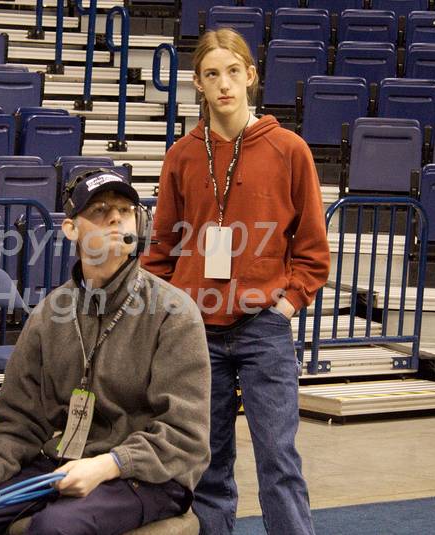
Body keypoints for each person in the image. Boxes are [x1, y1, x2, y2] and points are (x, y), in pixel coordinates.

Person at [0, 169, 211, 534]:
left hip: (149, 475)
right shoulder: (50, 314)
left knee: (56, 528)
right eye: (100, 210)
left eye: (125, 210)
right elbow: (17, 424)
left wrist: (107, 465)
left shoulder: (173, 312)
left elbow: (184, 434)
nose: (115, 218)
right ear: (71, 229)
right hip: (62, 461)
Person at [141, 28, 330, 535]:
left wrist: (286, 305)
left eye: (231, 72)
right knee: (207, 465)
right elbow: (162, 250)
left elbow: (312, 249)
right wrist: (165, 316)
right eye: (211, 74)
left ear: (250, 76)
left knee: (279, 462)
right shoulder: (182, 155)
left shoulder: (289, 150)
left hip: (263, 327)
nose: (223, 84)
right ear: (198, 84)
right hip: (196, 332)